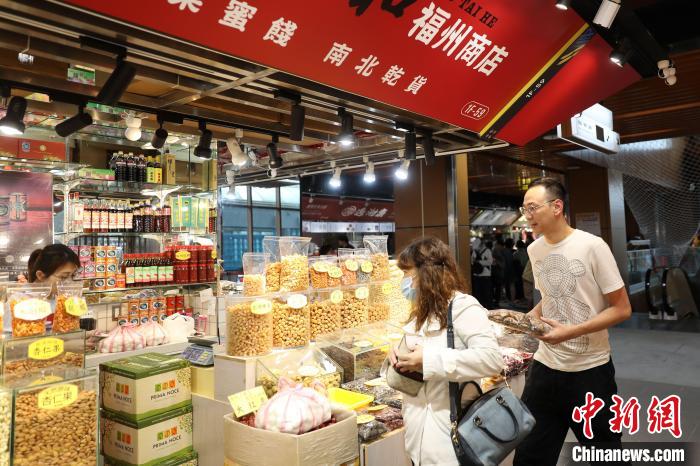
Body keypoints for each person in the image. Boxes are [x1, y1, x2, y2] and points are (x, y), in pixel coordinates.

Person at [513, 178, 632, 466]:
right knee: (529, 456)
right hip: (544, 368)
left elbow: (622, 308)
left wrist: (571, 332)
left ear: (557, 207)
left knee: (607, 456)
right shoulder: (535, 250)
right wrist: (529, 318)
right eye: (524, 209)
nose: (527, 216)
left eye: (532, 208)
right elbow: (550, 297)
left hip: (590, 371)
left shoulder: (592, 246)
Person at [389, 237, 503, 466]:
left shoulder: (463, 307)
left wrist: (428, 360)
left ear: (426, 273)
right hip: (418, 439)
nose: (404, 282)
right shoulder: (421, 310)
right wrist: (397, 354)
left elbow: (491, 359)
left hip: (451, 440)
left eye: (407, 273)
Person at [470, 237, 493, 309]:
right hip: (477, 275)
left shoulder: (487, 251)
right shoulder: (475, 251)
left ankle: (487, 308)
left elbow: (490, 262)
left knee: (486, 293)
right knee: (478, 294)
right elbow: (472, 262)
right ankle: (480, 308)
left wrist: (479, 262)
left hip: (485, 275)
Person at [503, 237, 515, 302]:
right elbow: (509, 263)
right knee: (510, 285)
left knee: (507, 285)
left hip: (505, 270)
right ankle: (511, 299)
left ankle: (509, 299)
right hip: (509, 270)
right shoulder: (509, 252)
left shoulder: (504, 251)